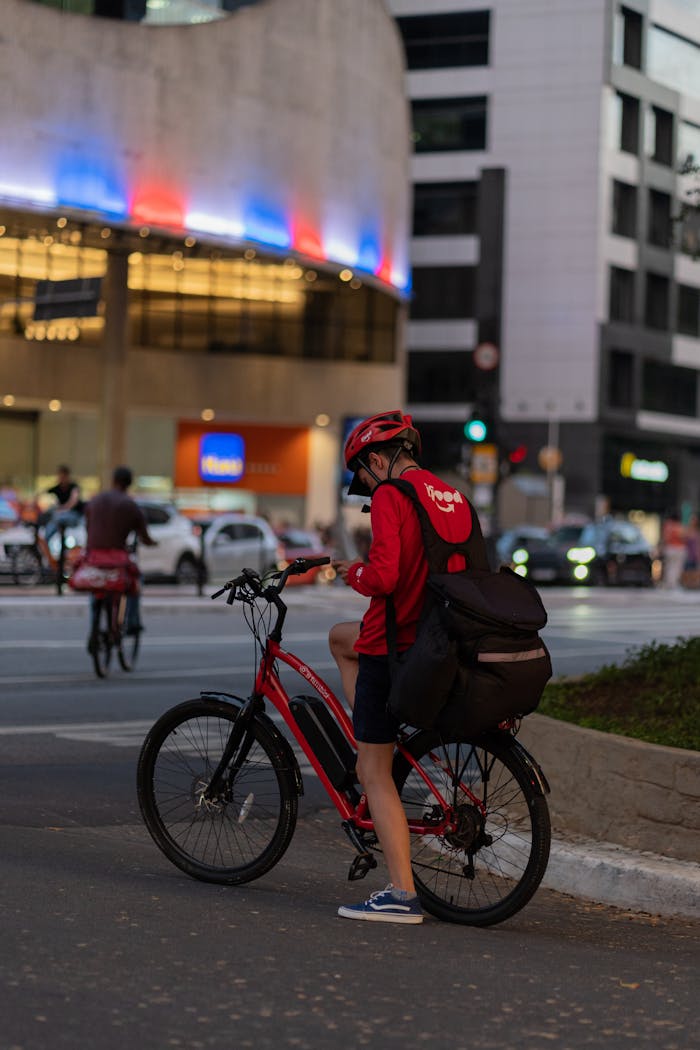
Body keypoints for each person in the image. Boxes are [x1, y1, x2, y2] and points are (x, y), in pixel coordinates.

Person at [330, 410, 486, 924]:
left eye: (365, 480)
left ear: (377, 460)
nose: (368, 491)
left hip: (391, 642)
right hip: (435, 640)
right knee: (338, 639)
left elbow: (384, 576)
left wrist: (350, 570)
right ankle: (372, 733)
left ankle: (401, 894)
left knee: (373, 770)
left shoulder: (394, 496)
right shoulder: (453, 496)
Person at [84, 465, 156, 634]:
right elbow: (144, 536)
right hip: (116, 557)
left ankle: (93, 627)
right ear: (129, 483)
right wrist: (152, 543)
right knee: (135, 580)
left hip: (93, 555)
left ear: (113, 480)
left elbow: (87, 525)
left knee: (96, 588)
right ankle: (132, 621)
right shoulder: (130, 505)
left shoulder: (96, 500)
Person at [43, 465, 83, 543]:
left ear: (67, 476)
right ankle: (45, 542)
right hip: (60, 515)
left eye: (63, 477)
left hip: (73, 515)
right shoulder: (57, 488)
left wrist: (61, 509)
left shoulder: (73, 487)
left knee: (57, 518)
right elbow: (44, 493)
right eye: (60, 476)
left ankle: (46, 541)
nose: (61, 479)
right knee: (51, 517)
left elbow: (73, 501)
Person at [661, 510, 686, 590]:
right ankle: (673, 584)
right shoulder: (678, 526)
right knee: (676, 568)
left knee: (669, 567)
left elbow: (665, 538)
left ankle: (668, 583)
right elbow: (683, 536)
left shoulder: (667, 525)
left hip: (669, 548)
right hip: (678, 548)